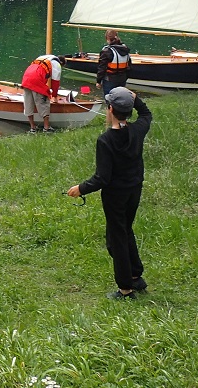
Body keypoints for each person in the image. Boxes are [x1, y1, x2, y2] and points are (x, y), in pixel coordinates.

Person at [67, 87, 152, 300]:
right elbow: (146, 114)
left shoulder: (105, 140)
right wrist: (136, 98)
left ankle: (125, 289)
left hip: (115, 196)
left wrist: (81, 188)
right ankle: (135, 276)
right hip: (134, 190)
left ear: (110, 109)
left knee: (116, 240)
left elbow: (102, 179)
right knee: (125, 230)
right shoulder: (137, 130)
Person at [20, 54, 62, 132]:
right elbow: (55, 83)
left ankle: (33, 128)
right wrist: (54, 96)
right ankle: (46, 128)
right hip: (36, 78)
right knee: (44, 101)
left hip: (26, 77)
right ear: (61, 63)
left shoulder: (44, 57)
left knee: (28, 103)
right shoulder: (57, 65)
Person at [96, 29, 131, 95]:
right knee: (120, 99)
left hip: (110, 80)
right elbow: (129, 66)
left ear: (107, 39)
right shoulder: (125, 49)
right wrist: (125, 78)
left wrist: (98, 81)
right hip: (122, 79)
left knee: (110, 100)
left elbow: (102, 68)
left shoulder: (107, 51)